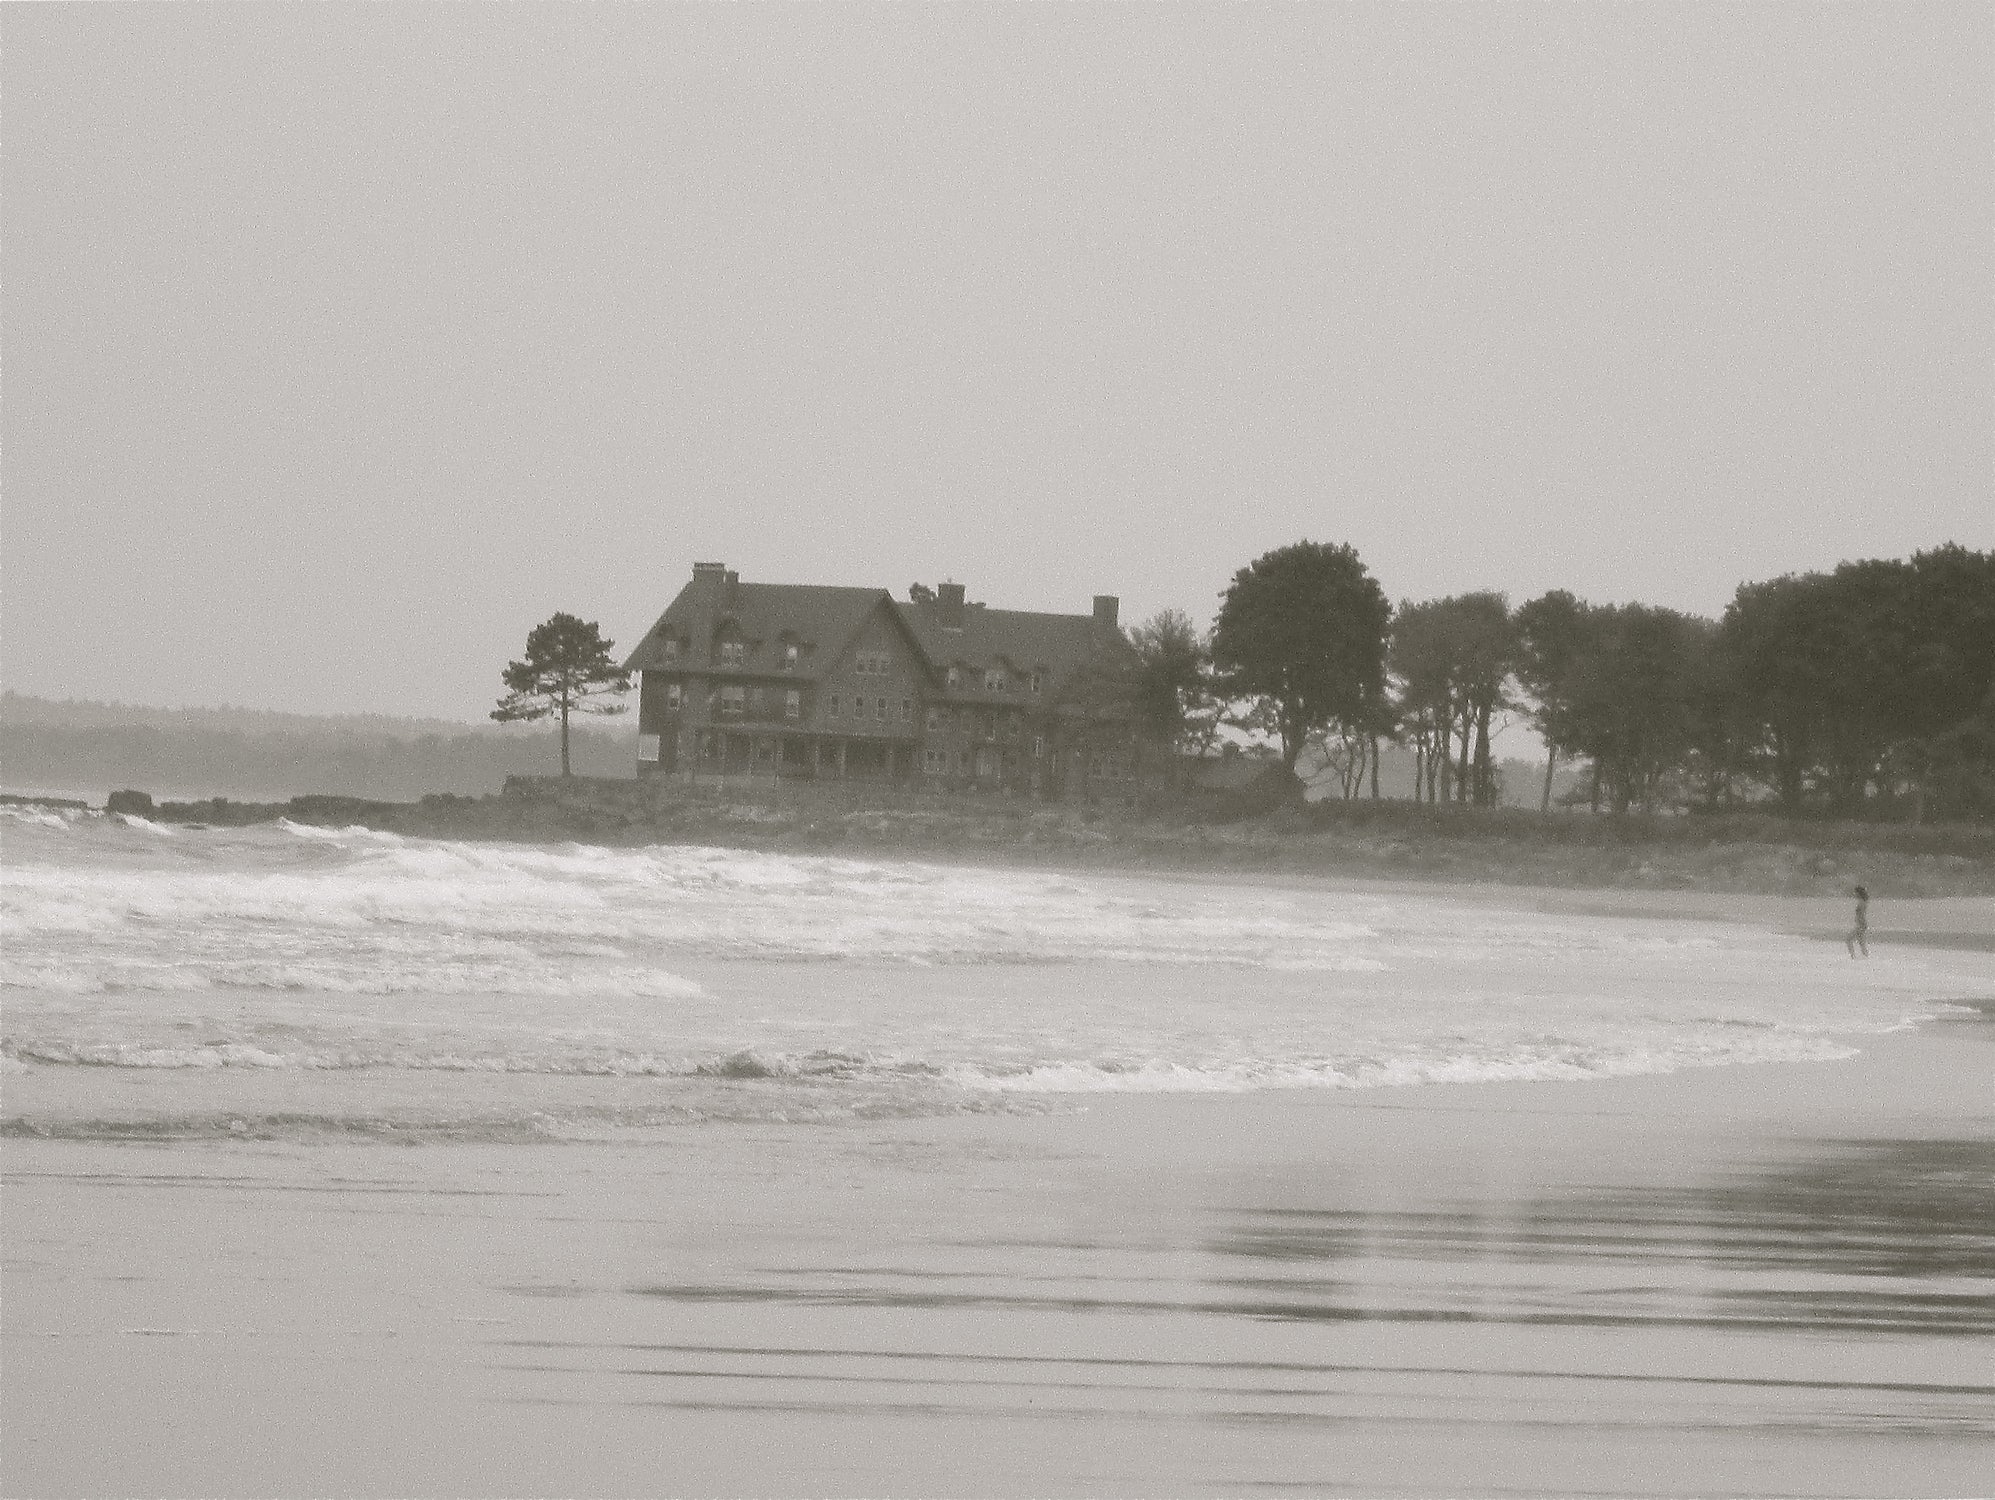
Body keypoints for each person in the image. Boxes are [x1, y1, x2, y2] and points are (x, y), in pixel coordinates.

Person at [1846, 884, 1869, 959]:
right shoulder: (1863, 902)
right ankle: (1865, 957)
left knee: (1849, 939)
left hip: (1861, 924)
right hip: (1861, 924)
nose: (1854, 894)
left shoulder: (1861, 903)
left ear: (1858, 893)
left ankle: (1853, 957)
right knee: (1861, 943)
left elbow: (1861, 914)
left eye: (1855, 892)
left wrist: (1860, 924)